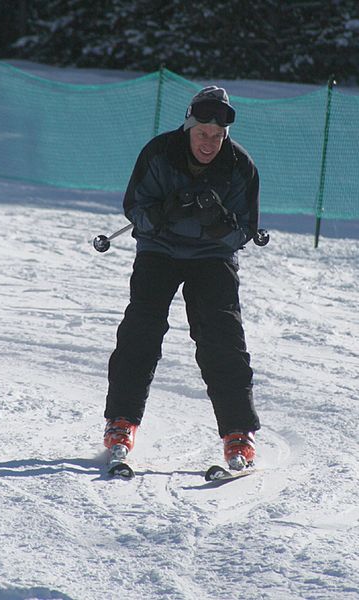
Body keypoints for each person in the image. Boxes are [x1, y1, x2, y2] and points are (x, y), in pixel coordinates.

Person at [103, 85, 261, 471]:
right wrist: (161, 213)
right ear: (188, 128)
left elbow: (244, 231)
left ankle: (238, 432)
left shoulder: (239, 165)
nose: (209, 143)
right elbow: (134, 207)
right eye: (202, 134)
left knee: (221, 335)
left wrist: (217, 222)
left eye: (217, 136)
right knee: (142, 327)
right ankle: (121, 421)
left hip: (212, 256)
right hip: (160, 250)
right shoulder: (160, 153)